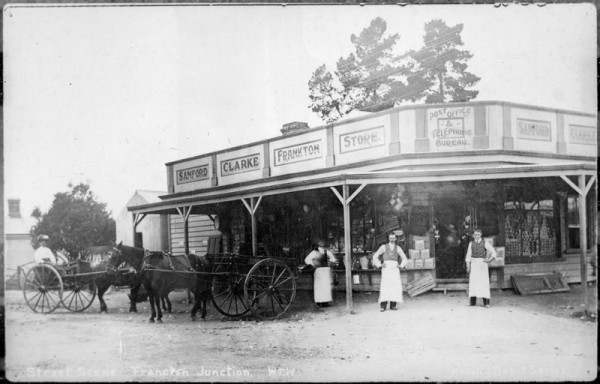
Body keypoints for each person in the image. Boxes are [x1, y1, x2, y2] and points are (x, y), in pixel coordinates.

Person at [372, 232, 408, 312]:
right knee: (385, 286)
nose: (392, 240)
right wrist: (379, 264)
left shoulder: (398, 248)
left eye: (393, 238)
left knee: (394, 286)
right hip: (386, 268)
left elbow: (404, 258)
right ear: (388, 238)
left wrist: (401, 265)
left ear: (396, 239)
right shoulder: (383, 247)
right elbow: (375, 256)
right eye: (390, 238)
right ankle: (383, 306)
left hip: (395, 269)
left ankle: (393, 305)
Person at [465, 228, 497, 308]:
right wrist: (468, 266)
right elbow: (468, 255)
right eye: (475, 234)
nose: (477, 236)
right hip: (474, 264)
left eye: (478, 234)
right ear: (473, 235)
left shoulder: (485, 243)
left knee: (483, 283)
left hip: (482, 264)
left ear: (481, 235)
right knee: (473, 282)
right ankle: (472, 302)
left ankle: (486, 302)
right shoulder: (471, 244)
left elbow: (493, 252)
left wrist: (489, 260)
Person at [304, 239, 337, 308]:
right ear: (318, 245)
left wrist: (330, 262)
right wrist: (313, 264)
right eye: (320, 244)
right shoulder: (314, 252)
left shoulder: (326, 252)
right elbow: (307, 259)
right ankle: (319, 302)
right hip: (319, 271)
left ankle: (326, 302)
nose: (322, 245)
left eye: (323, 244)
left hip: (325, 270)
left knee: (326, 286)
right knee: (319, 287)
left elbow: (333, 258)